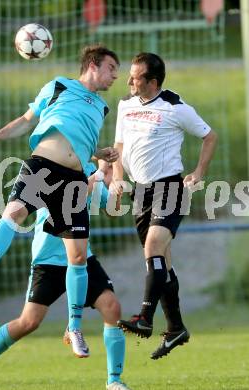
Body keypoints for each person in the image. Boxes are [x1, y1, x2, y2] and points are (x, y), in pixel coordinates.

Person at [0, 44, 120, 356]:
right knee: (15, 212)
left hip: (73, 181)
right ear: (93, 65)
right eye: (111, 69)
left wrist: (100, 154)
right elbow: (27, 119)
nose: (114, 76)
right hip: (43, 166)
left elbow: (79, 143)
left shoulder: (101, 108)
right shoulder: (58, 86)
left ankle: (74, 328)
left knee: (78, 257)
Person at [0, 162, 131, 390]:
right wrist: (98, 174)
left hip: (80, 257)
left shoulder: (88, 168)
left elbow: (112, 211)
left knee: (112, 307)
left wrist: (116, 190)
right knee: (28, 322)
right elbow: (75, 194)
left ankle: (114, 381)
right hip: (48, 260)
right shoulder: (53, 165)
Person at [111, 52, 218, 359]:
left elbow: (209, 136)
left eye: (135, 77)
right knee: (162, 264)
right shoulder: (126, 106)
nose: (129, 81)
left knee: (153, 247)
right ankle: (176, 329)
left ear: (153, 82)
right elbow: (118, 147)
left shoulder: (174, 106)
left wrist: (198, 173)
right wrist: (118, 177)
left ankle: (145, 317)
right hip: (140, 194)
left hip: (170, 187)